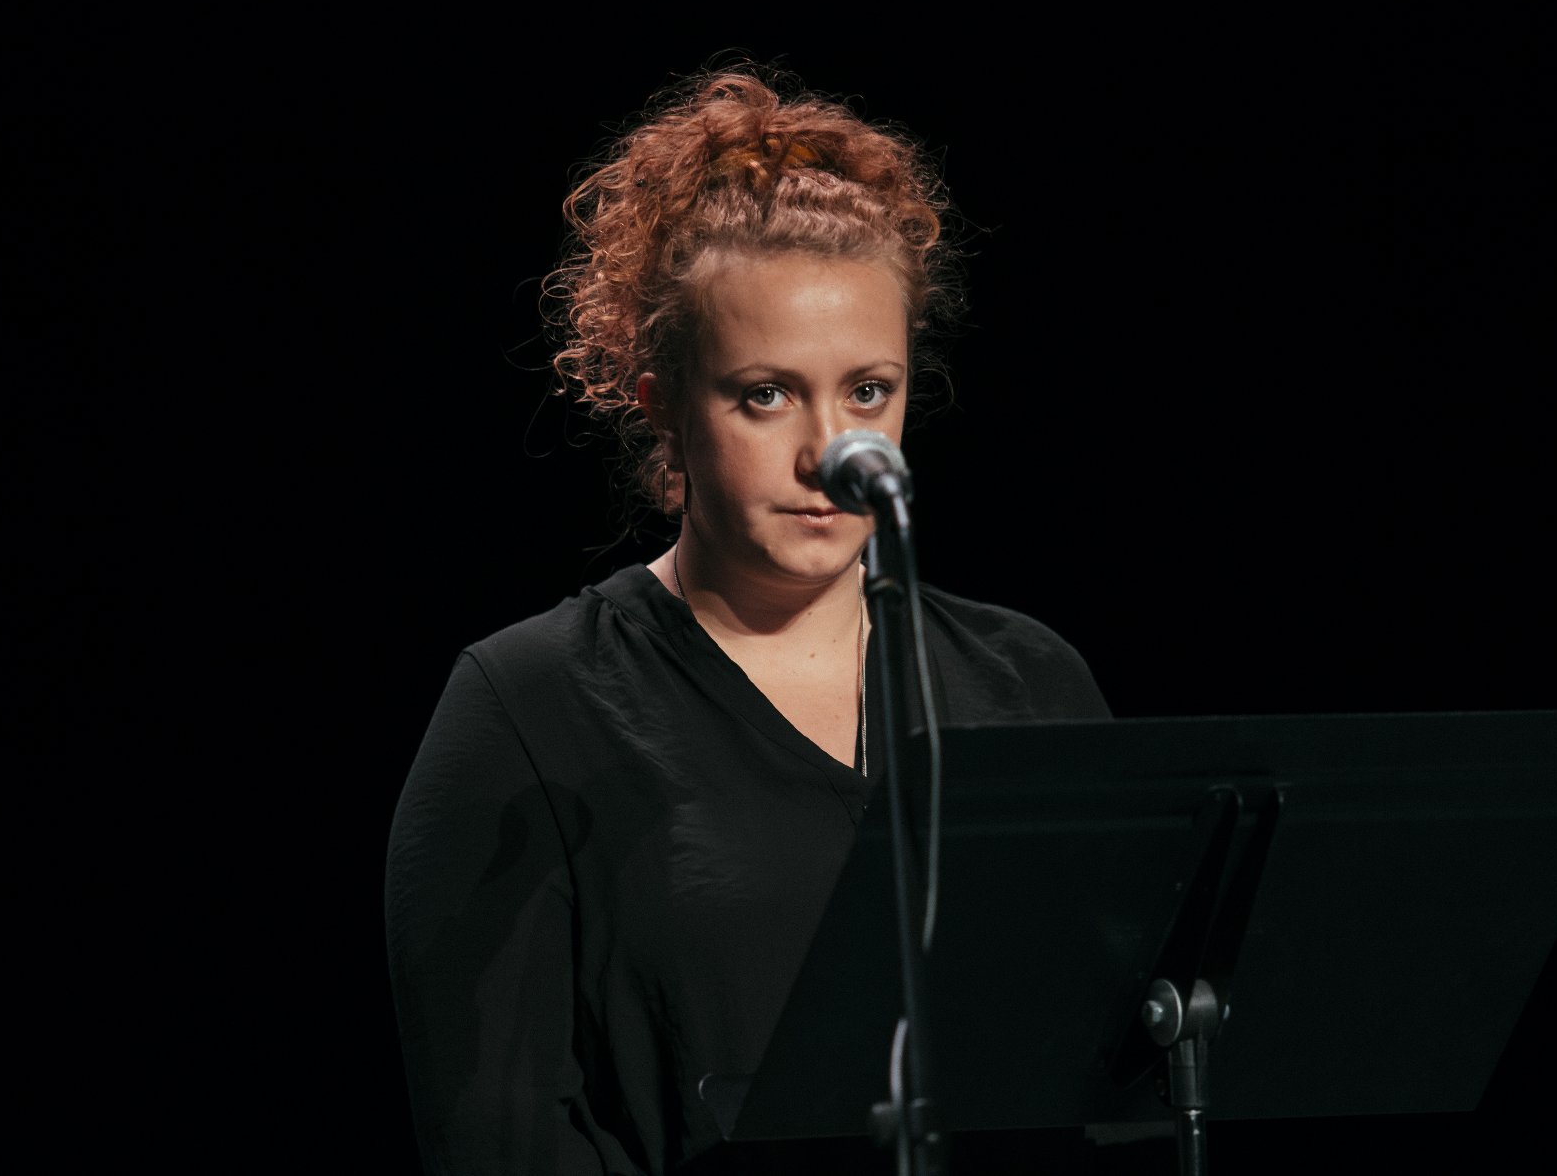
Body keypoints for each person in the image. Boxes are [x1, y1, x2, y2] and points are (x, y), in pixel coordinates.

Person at [384, 64, 1112, 1174]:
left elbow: (1106, 1074)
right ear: (666, 406)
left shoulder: (1027, 680)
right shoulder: (528, 708)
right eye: (765, 394)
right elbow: (502, 1134)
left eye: (866, 391)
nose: (831, 452)